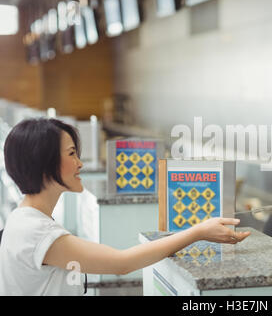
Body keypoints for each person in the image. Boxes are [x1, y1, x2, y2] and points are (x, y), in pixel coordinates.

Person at [0, 118, 250, 295]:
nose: (80, 164)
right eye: (72, 153)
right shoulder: (35, 231)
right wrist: (199, 232)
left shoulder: (26, 221)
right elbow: (122, 263)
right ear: (45, 163)